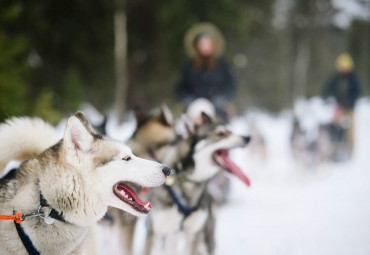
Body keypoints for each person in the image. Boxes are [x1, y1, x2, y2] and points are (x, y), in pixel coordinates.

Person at [175, 23, 236, 121]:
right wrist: (190, 100)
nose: (206, 47)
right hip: (193, 107)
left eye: (209, 44)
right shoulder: (188, 66)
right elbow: (180, 88)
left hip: (217, 107)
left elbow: (230, 85)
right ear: (196, 45)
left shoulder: (222, 65)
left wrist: (221, 99)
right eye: (202, 44)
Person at [323, 53, 361, 155]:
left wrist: (350, 101)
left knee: (350, 129)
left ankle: (350, 149)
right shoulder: (336, 78)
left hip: (350, 107)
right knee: (334, 124)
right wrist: (326, 96)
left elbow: (357, 92)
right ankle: (333, 146)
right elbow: (328, 88)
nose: (343, 69)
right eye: (342, 67)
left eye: (345, 67)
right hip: (339, 107)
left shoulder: (353, 79)